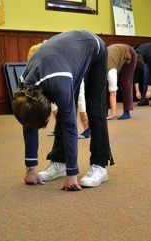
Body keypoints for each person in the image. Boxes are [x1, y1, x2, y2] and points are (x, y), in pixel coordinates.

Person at [12, 30, 114, 191]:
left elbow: (70, 125)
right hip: (66, 56)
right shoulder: (24, 87)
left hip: (94, 47)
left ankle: (100, 165)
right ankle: (60, 161)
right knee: (65, 106)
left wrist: (72, 174)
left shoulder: (59, 82)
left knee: (94, 106)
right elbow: (28, 122)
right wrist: (30, 169)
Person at [28, 42, 91, 139]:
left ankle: (87, 129)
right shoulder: (36, 57)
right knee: (54, 107)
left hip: (72, 79)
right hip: (55, 80)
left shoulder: (55, 57)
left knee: (80, 104)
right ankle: (59, 129)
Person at [107, 43, 137, 120]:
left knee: (125, 82)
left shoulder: (110, 71)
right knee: (104, 86)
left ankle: (127, 112)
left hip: (129, 53)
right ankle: (105, 110)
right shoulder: (96, 69)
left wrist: (112, 114)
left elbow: (113, 93)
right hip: (116, 53)